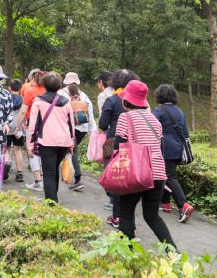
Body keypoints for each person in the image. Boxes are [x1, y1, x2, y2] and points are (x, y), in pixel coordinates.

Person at [114, 80, 176, 248]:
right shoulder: (154, 120)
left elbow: (118, 147)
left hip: (136, 173)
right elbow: (160, 148)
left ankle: (128, 255)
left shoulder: (125, 117)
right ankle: (174, 254)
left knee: (126, 215)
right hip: (158, 174)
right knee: (152, 216)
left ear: (127, 101)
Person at [99, 69, 140, 228]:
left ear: (114, 81)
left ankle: (117, 216)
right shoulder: (138, 102)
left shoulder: (112, 100)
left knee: (116, 179)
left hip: (114, 143)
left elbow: (103, 124)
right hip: (135, 145)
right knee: (129, 180)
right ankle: (127, 219)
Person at [28, 72, 75, 203]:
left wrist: (30, 145)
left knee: (48, 172)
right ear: (59, 86)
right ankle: (54, 199)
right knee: (54, 169)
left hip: (47, 142)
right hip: (64, 142)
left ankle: (51, 203)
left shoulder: (38, 102)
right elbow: (71, 125)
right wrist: (71, 144)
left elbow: (33, 126)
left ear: (44, 84)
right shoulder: (66, 102)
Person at [152, 84, 194, 223]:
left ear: (159, 96)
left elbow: (152, 130)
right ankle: (166, 204)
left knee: (169, 177)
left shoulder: (158, 111)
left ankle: (183, 205)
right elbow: (185, 133)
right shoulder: (180, 112)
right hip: (178, 149)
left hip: (165, 149)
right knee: (166, 175)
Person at [57, 72, 95, 192]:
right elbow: (90, 113)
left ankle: (77, 179)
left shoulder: (61, 94)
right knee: (70, 151)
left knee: (71, 151)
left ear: (66, 82)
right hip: (82, 129)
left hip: (68, 128)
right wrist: (91, 130)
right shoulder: (83, 95)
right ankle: (70, 175)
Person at [14, 69, 46, 192]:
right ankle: (44, 179)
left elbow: (23, 112)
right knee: (43, 151)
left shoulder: (30, 91)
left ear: (32, 79)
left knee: (32, 152)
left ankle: (38, 181)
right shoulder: (48, 91)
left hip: (31, 126)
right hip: (47, 126)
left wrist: (18, 126)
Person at [5, 79, 27, 182]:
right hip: (19, 128)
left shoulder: (6, 98)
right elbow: (23, 113)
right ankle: (19, 173)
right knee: (18, 150)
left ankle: (6, 166)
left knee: (6, 149)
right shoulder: (23, 100)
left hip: (7, 126)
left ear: (9, 88)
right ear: (21, 89)